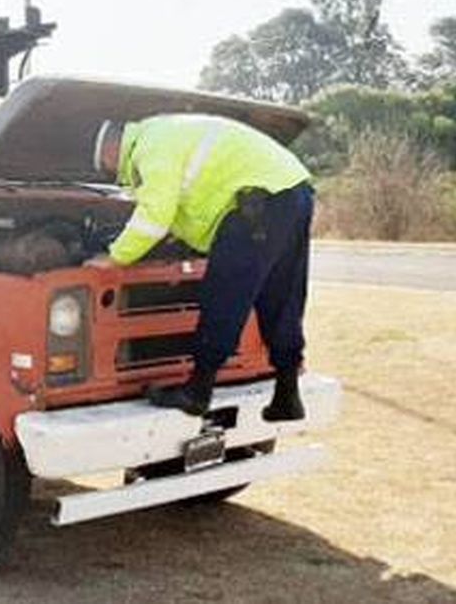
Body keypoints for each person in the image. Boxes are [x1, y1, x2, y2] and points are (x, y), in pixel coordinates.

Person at [90, 114, 314, 421]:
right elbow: (188, 203)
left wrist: (115, 257)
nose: (111, 173)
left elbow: (155, 214)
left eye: (106, 166)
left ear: (111, 151)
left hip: (254, 204)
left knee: (224, 293)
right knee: (282, 295)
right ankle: (288, 396)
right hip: (293, 190)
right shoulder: (168, 131)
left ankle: (197, 391)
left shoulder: (151, 148)